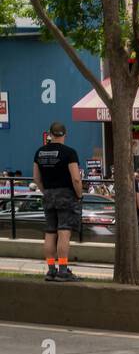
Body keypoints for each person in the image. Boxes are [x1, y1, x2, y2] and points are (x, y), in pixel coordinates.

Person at [32, 121, 83, 282]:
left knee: (50, 232)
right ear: (65, 135)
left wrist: (45, 191)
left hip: (48, 195)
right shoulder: (69, 153)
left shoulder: (39, 152)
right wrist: (79, 195)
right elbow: (76, 178)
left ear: (49, 134)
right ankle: (62, 270)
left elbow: (36, 178)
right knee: (64, 233)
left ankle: (51, 269)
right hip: (66, 195)